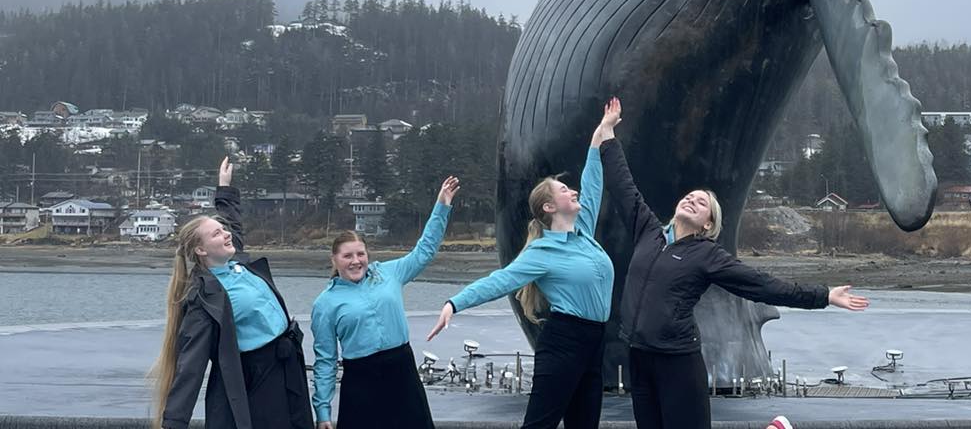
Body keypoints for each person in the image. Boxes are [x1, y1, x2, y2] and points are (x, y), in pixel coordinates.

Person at [597, 97, 869, 429]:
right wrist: (608, 134)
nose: (692, 200)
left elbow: (763, 286)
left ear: (708, 225)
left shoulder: (707, 255)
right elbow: (624, 187)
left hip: (678, 364)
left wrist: (823, 295)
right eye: (690, 196)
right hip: (638, 357)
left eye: (702, 203)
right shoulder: (649, 231)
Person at [426, 102, 621, 429]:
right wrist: (453, 304)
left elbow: (593, 180)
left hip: (594, 341)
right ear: (549, 206)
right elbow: (499, 281)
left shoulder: (583, 230)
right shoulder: (541, 252)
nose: (573, 192)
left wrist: (601, 133)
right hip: (564, 342)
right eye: (563, 190)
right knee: (539, 425)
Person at [150, 155, 313, 429]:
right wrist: (174, 422)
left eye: (222, 230)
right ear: (201, 251)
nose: (225, 234)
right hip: (257, 379)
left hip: (287, 365)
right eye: (216, 234)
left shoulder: (237, 262)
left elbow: (231, 223)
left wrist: (224, 187)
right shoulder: (204, 297)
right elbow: (191, 365)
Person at [310, 175, 460, 429]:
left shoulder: (389, 273)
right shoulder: (325, 304)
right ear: (334, 259)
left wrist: (442, 206)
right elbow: (325, 360)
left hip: (402, 373)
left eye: (361, 254)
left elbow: (424, 250)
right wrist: (322, 411)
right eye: (347, 256)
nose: (356, 261)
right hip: (361, 382)